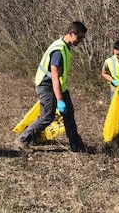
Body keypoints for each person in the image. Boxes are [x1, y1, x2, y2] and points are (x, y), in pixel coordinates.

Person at [14, 21, 88, 153]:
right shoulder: (59, 51)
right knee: (48, 116)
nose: (81, 41)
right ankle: (23, 139)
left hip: (58, 84)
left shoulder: (65, 46)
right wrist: (59, 100)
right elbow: (54, 76)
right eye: (80, 37)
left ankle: (76, 145)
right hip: (46, 85)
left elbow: (58, 77)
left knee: (69, 113)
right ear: (72, 33)